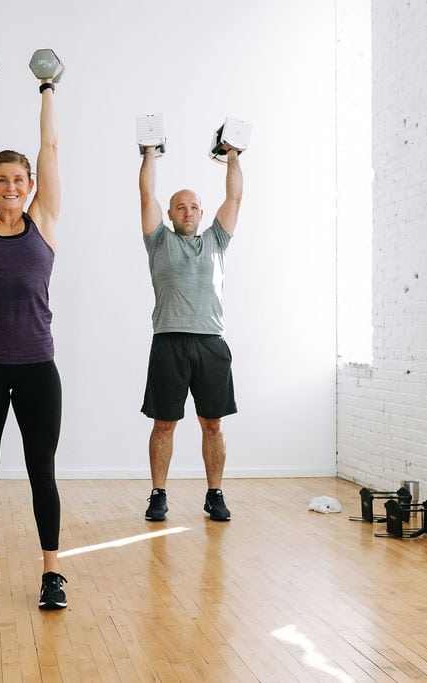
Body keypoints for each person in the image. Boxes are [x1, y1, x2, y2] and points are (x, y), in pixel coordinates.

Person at [0, 59, 67, 610]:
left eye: (18, 180)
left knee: (41, 473)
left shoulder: (43, 220)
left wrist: (46, 89)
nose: (9, 186)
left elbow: (49, 149)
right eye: (1, 180)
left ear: (29, 188)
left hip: (37, 367)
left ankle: (52, 574)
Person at [137, 141, 243, 523]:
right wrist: (149, 152)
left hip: (211, 344)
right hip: (169, 341)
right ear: (170, 214)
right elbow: (146, 192)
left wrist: (232, 156)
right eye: (179, 206)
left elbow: (234, 196)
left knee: (213, 424)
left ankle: (214, 494)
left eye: (193, 206)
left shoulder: (216, 240)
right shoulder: (159, 240)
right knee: (164, 424)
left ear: (201, 213)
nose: (187, 211)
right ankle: (158, 494)